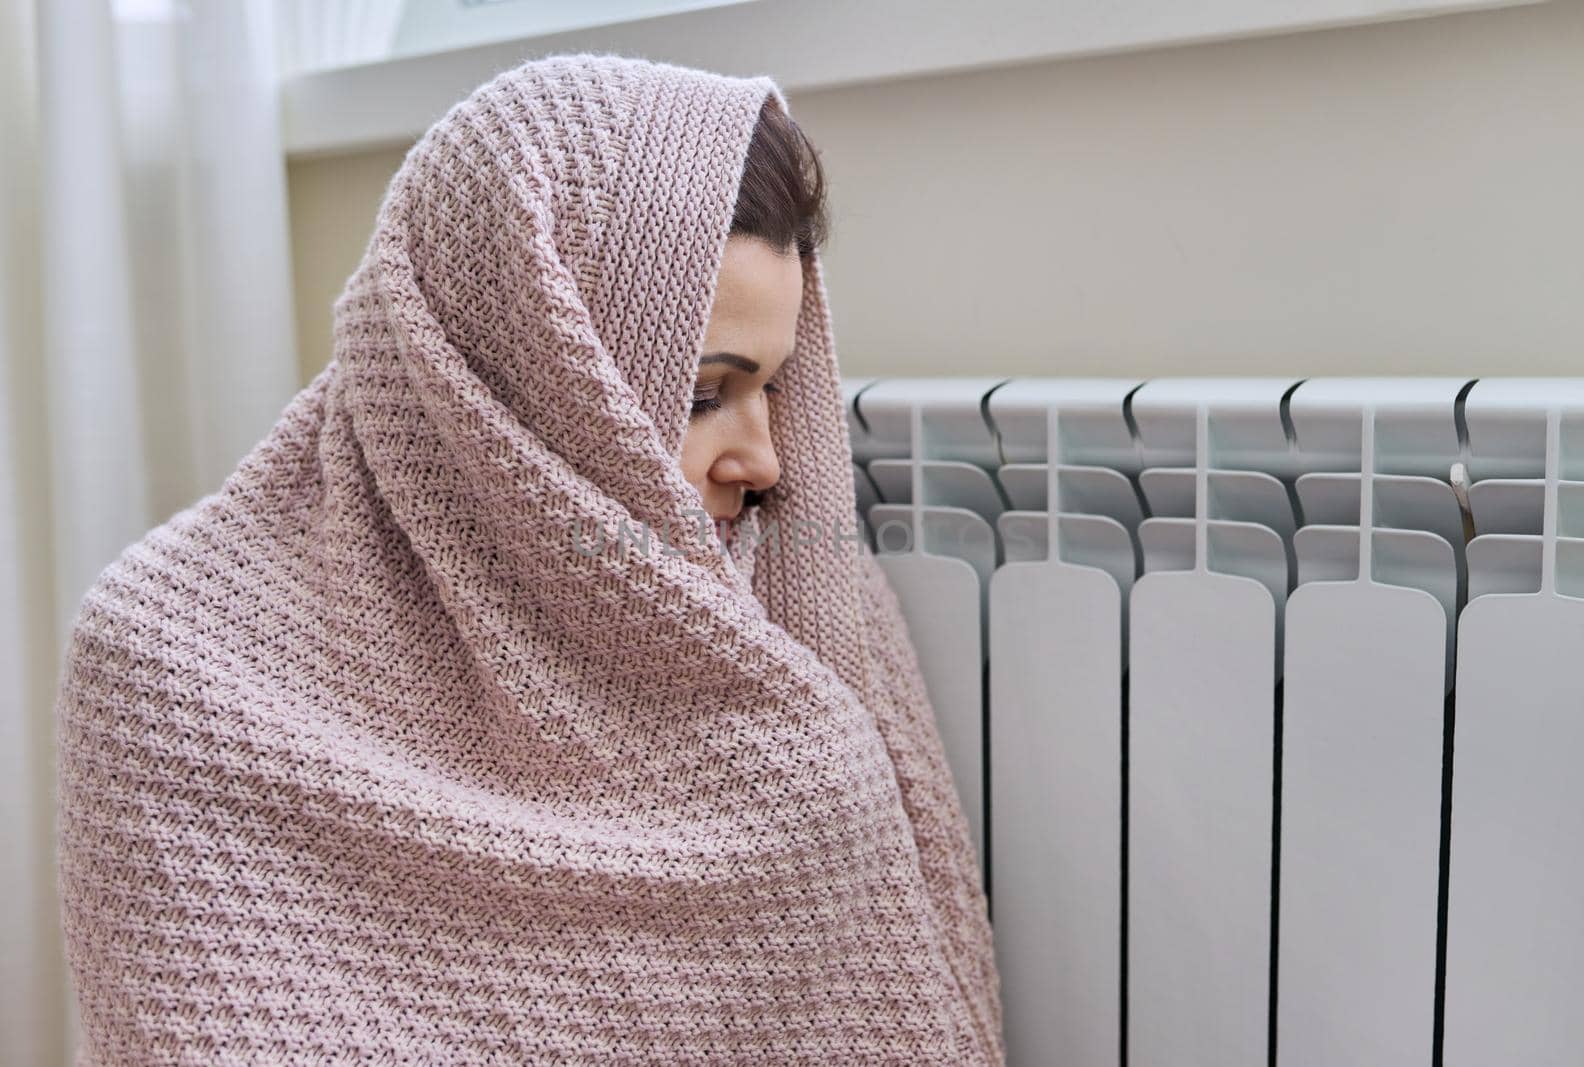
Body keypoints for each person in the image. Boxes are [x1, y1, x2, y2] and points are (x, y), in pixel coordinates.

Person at [54, 52, 1003, 1064]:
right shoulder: (171, 666)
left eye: (775, 386)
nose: (765, 461)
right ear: (521, 377)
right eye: (698, 395)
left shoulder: (795, 593)